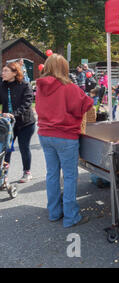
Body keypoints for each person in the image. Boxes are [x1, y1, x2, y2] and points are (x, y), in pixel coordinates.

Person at [35, 53, 93, 228]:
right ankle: (71, 217)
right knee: (69, 176)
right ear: (65, 69)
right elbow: (87, 104)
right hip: (65, 136)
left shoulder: (39, 87)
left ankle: (54, 212)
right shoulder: (69, 87)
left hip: (45, 134)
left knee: (52, 174)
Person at [0, 62, 36, 183]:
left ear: (15, 73)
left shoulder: (25, 85)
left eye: (6, 71)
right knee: (6, 149)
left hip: (25, 123)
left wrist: (13, 114)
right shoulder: (2, 85)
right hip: (8, 124)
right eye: (2, 71)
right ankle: (3, 176)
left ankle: (27, 172)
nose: (2, 73)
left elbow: (27, 103)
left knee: (23, 147)